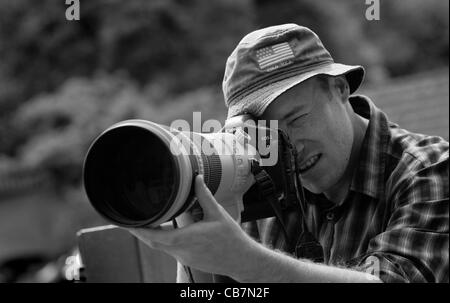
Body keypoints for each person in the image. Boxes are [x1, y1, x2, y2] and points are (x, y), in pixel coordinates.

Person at [130, 24, 449, 283]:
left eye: (297, 119)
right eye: (267, 134)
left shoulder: (428, 170)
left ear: (340, 89)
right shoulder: (254, 184)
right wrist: (196, 249)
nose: (289, 147)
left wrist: (249, 262)